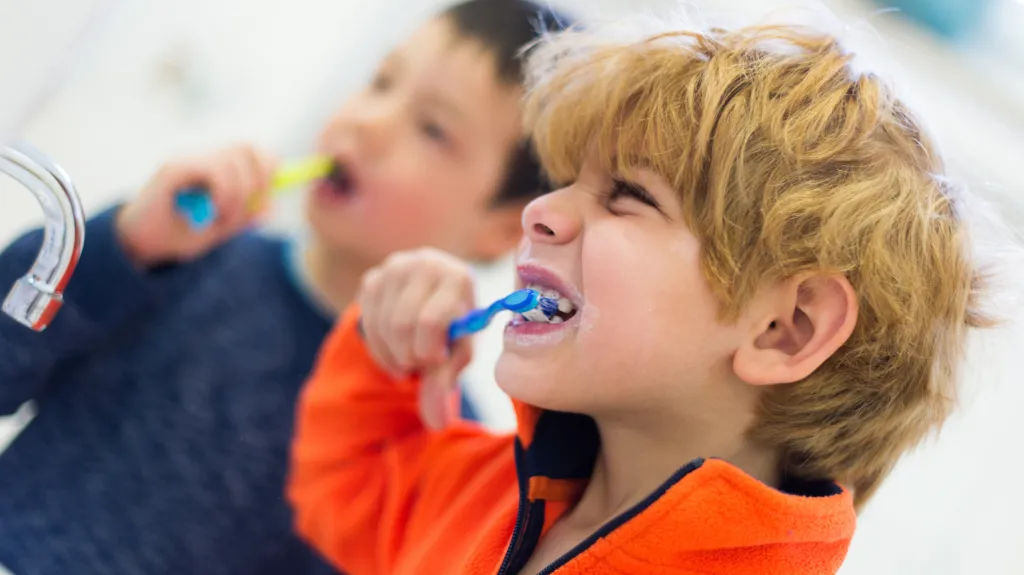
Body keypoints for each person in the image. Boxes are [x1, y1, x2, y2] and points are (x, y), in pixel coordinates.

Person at [287, 15, 997, 575]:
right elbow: (346, 486)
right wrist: (385, 355)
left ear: (788, 327)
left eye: (627, 195)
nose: (545, 210)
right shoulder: (485, 489)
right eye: (567, 177)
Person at [0, 1, 571, 573]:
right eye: (381, 81)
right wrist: (122, 246)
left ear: (506, 227)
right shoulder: (182, 259)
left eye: (432, 129)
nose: (369, 121)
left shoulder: (429, 433)